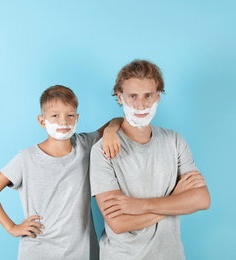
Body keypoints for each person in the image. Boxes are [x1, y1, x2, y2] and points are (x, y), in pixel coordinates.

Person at [0, 85, 122, 260]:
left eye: (70, 115)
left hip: (81, 250)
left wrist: (109, 131)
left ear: (77, 118)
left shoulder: (85, 144)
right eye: (55, 115)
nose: (63, 121)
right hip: (39, 250)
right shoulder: (27, 158)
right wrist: (12, 227)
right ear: (42, 121)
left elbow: (117, 120)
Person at [90, 59, 211, 260]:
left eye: (148, 96)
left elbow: (202, 199)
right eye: (132, 96)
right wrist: (174, 199)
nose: (141, 105)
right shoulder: (102, 150)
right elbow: (118, 223)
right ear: (120, 97)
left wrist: (142, 205)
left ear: (158, 97)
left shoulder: (174, 141)